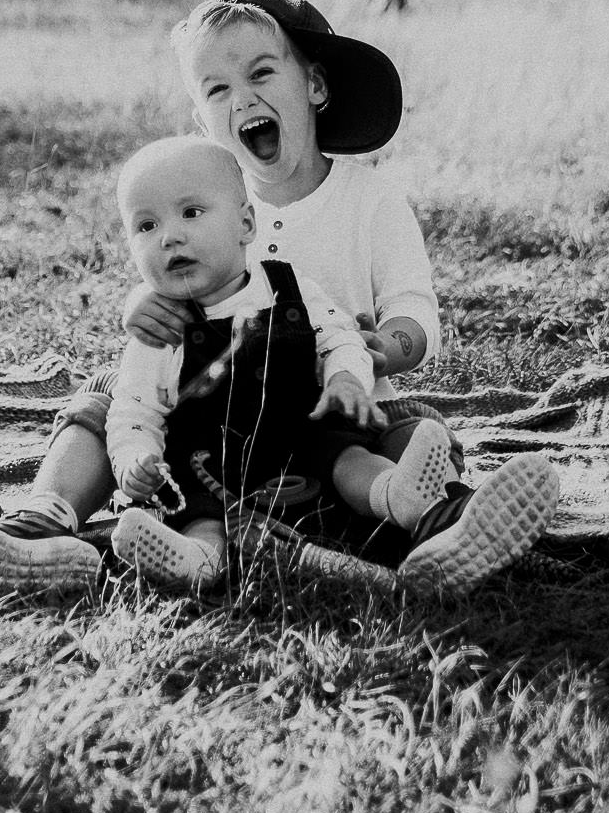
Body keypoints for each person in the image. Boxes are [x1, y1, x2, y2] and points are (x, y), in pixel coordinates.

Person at [0, 0, 557, 596]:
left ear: (314, 85)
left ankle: (441, 527)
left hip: (333, 416)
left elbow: (415, 310)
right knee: (102, 404)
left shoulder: (369, 200)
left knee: (413, 429)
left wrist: (383, 349)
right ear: (203, 121)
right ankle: (42, 525)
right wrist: (139, 304)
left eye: (260, 74)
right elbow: (164, 281)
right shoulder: (201, 203)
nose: (240, 98)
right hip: (211, 431)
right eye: (217, 89)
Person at [99, 136, 458, 590]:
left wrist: (346, 376)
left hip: (303, 442)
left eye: (191, 213)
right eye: (146, 226)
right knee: (200, 515)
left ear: (246, 223)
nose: (169, 236)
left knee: (347, 456)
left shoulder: (287, 286)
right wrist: (135, 459)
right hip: (212, 472)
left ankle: (397, 495)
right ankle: (196, 561)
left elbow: (338, 337)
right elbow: (133, 411)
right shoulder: (161, 331)